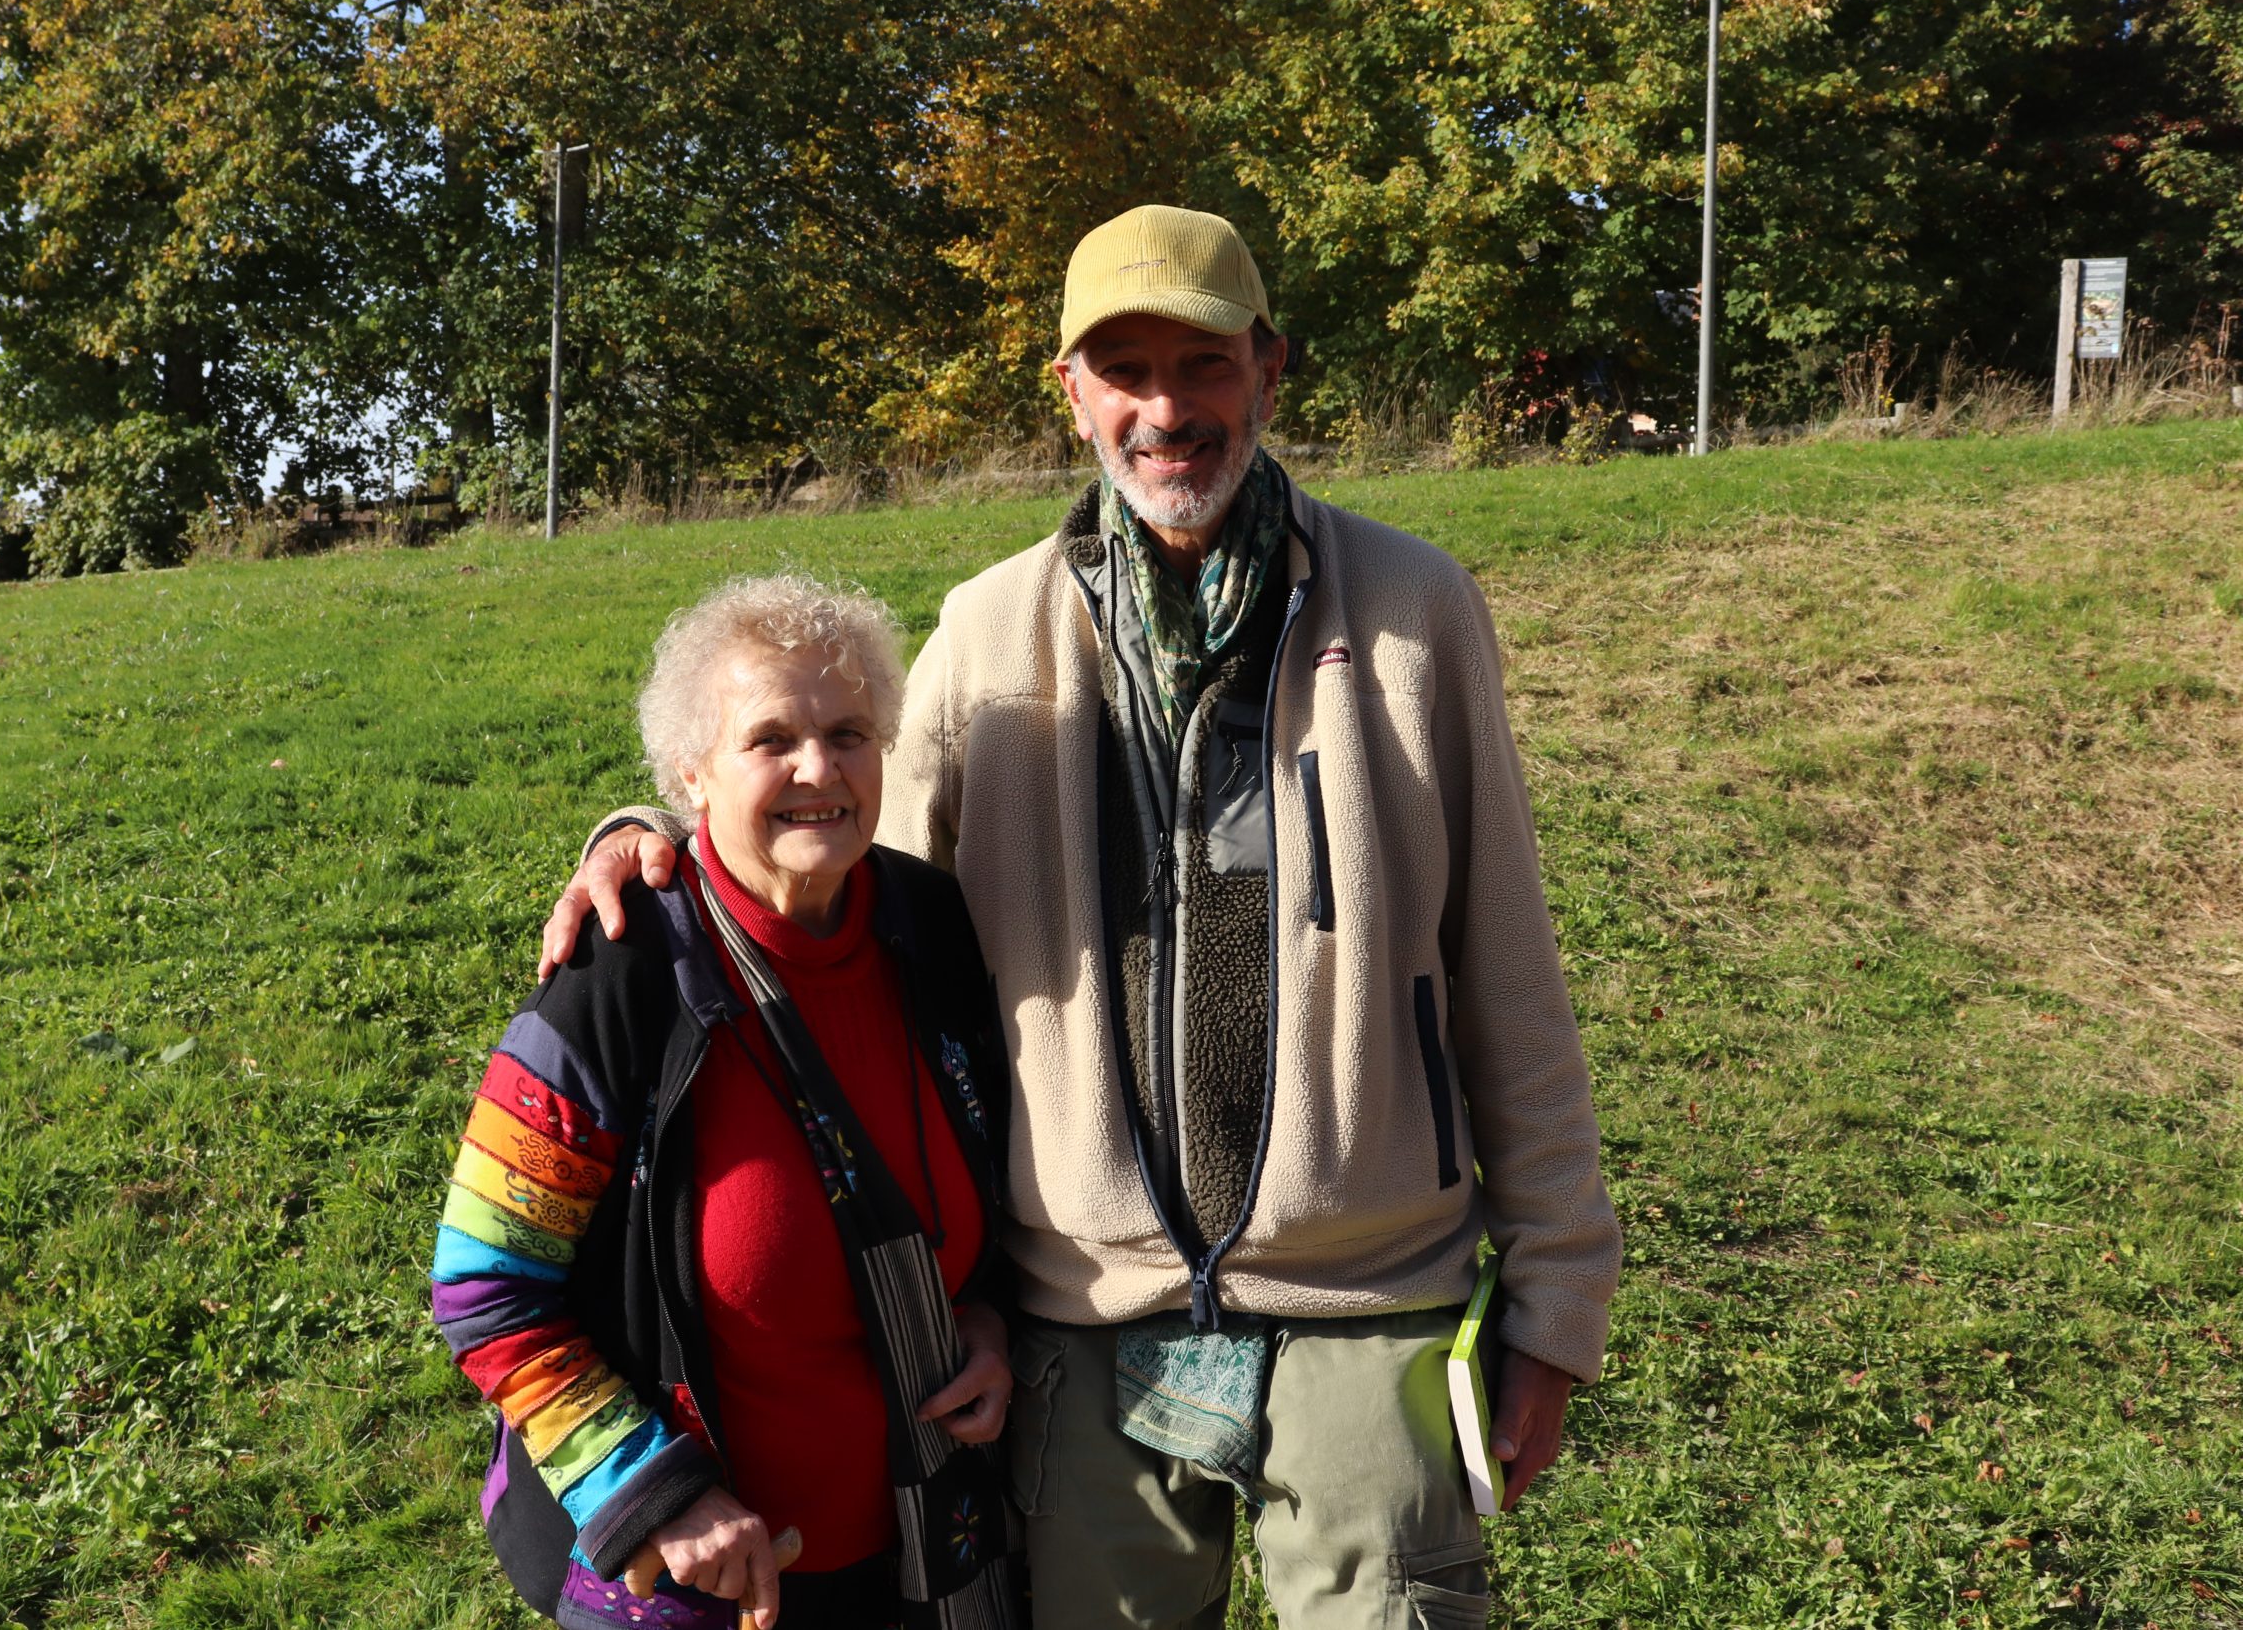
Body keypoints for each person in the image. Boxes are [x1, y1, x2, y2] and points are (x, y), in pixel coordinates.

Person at [548, 206, 1623, 1629]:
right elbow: (847, 884)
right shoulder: (989, 634)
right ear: (1070, 392)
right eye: (1125, 369)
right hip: (1080, 1317)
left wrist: (1555, 1294)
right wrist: (654, 841)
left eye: (1204, 362)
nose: (1167, 409)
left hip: (1368, 1294)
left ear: (1269, 370)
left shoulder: (1416, 611)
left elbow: (1507, 965)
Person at [434, 574, 1022, 1630]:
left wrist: (983, 1319)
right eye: (770, 740)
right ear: (689, 773)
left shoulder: (928, 926)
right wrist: (655, 1494)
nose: (818, 770)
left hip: (921, 1555)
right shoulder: (621, 966)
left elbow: (976, 1175)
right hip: (701, 1580)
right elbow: (485, 1285)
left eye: (849, 733)